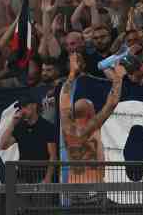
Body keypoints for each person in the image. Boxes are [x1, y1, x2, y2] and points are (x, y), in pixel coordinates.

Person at [58, 53, 124, 186]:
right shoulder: (88, 129)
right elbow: (112, 103)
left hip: (73, 189)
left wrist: (72, 73)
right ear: (90, 113)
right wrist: (119, 78)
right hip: (93, 190)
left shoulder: (67, 128)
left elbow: (64, 100)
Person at [0, 95, 58, 182]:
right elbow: (3, 145)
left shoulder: (47, 127)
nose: (22, 110)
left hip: (40, 174)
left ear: (34, 106)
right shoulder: (20, 127)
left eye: (25, 107)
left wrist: (47, 178)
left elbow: (53, 156)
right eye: (20, 108)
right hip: (23, 174)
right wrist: (12, 123)